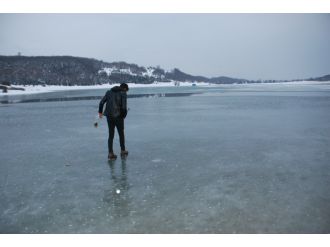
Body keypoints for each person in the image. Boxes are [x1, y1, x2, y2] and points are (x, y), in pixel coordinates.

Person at [99, 83, 129, 160]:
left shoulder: (108, 92)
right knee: (121, 134)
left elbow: (101, 102)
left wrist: (100, 112)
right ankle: (122, 150)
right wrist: (123, 116)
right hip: (118, 117)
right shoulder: (123, 93)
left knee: (111, 135)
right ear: (125, 88)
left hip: (109, 116)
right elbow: (124, 108)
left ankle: (110, 153)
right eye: (126, 90)